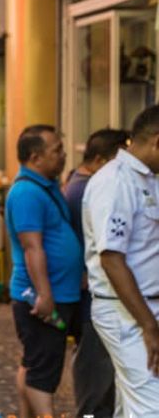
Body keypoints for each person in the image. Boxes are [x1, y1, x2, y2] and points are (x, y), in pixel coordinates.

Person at [83, 105, 159, 418]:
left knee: (132, 406)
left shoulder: (148, 179)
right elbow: (112, 259)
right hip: (125, 311)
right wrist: (148, 325)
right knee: (151, 407)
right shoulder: (115, 182)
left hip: (143, 308)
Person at [6, 125, 84, 418]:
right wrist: (45, 295)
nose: (64, 156)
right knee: (43, 372)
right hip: (41, 299)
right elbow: (32, 248)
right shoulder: (26, 192)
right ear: (35, 157)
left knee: (34, 363)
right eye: (57, 151)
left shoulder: (44, 185)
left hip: (56, 292)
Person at [63, 128, 129, 418]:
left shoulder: (83, 184)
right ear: (103, 159)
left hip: (91, 291)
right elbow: (107, 253)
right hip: (94, 292)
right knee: (96, 371)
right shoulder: (89, 189)